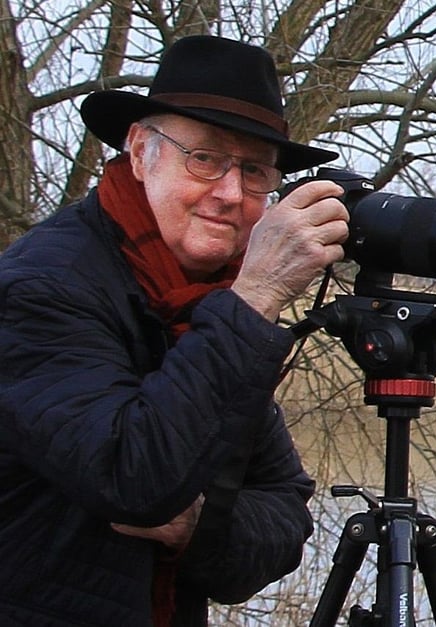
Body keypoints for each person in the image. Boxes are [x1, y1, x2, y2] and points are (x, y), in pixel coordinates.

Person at [0, 36, 351, 625]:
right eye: (205, 158)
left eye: (255, 171)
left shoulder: (212, 305)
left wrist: (196, 526)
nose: (230, 194)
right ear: (141, 153)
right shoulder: (41, 289)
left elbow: (285, 513)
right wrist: (258, 295)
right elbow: (134, 480)